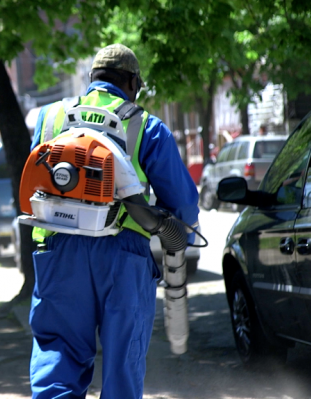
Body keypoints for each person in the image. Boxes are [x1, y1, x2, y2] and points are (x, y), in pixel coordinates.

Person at [28, 44, 199, 399]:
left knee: (58, 355)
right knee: (123, 364)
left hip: (59, 253)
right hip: (124, 257)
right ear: (132, 82)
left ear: (91, 80)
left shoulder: (49, 118)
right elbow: (183, 207)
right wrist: (174, 233)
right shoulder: (146, 126)